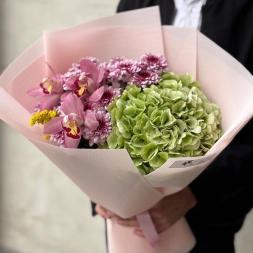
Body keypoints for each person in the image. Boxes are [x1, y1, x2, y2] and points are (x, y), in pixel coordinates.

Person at [95, 1, 253, 252]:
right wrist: (102, 187)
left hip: (209, 210)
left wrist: (194, 195)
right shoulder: (135, 3)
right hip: (128, 213)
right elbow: (104, 90)